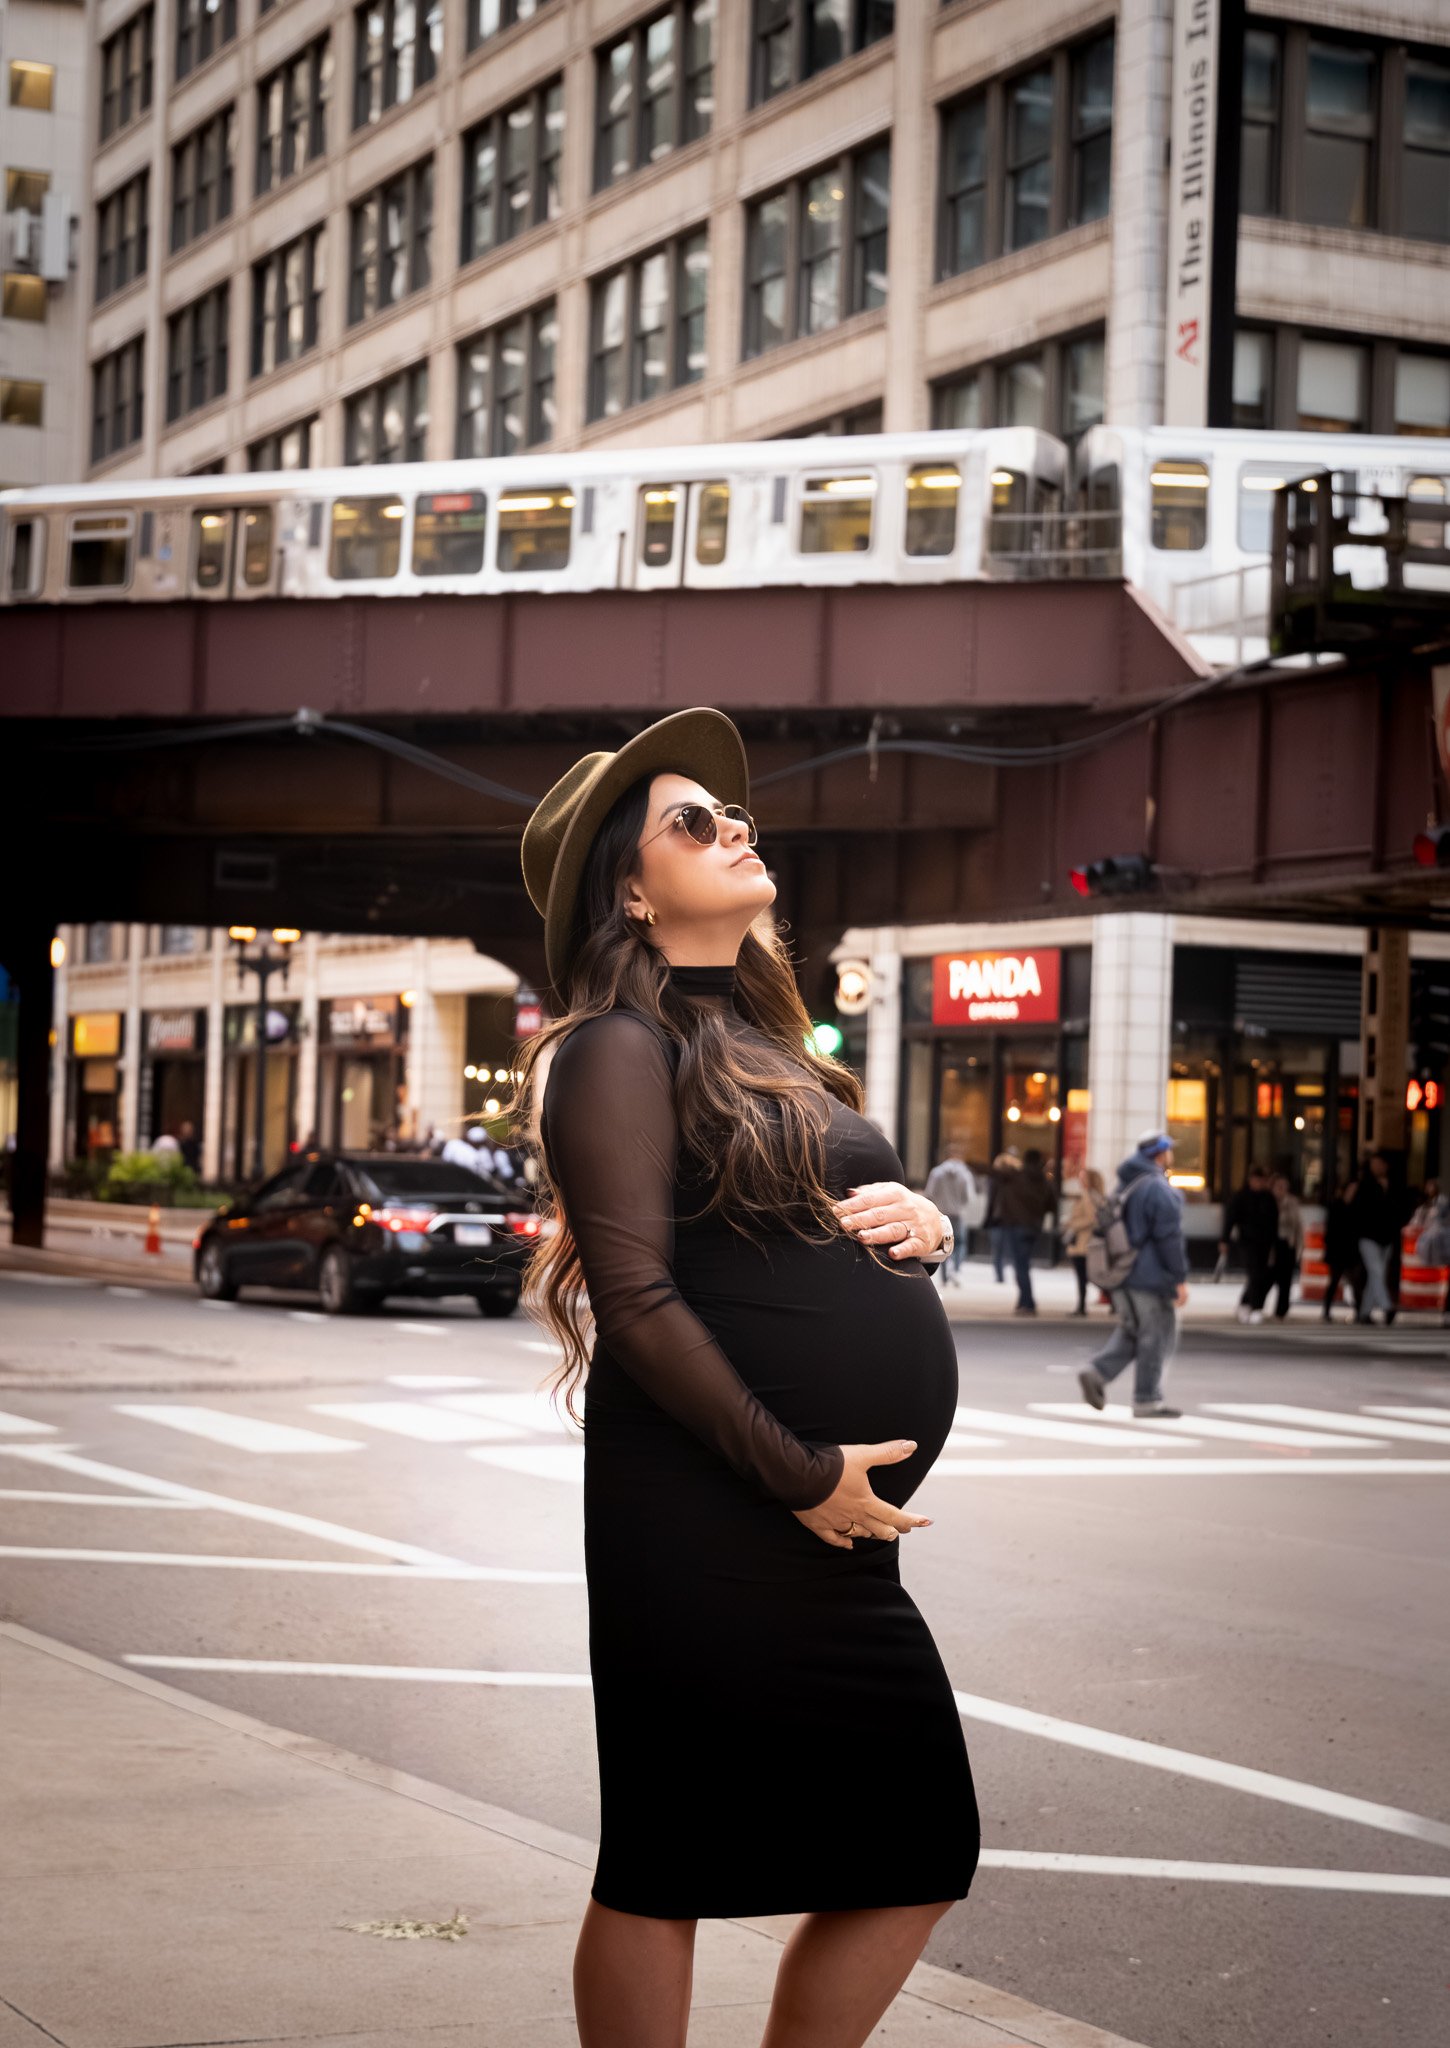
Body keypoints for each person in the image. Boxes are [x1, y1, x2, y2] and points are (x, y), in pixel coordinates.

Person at [514, 706, 978, 2044]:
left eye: (733, 817)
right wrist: (798, 1473)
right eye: (691, 823)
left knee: (916, 1846)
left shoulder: (777, 1049)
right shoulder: (611, 1047)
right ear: (629, 888)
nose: (732, 830)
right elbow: (639, 1300)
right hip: (707, 1503)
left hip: (824, 1526)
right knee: (668, 1857)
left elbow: (808, 1232)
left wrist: (922, 1229)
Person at [1077, 1131, 1189, 1419]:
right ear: (1161, 1154)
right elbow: (1169, 1238)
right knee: (1157, 1335)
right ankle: (1147, 1399)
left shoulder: (1127, 1183)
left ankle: (1097, 1372)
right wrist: (1179, 1278)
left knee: (1133, 1330)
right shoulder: (1157, 1188)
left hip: (1123, 1272)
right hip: (1150, 1276)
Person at [993, 1145, 1057, 1315]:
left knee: (1020, 1265)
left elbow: (994, 1172)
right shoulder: (1045, 1180)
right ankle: (1025, 1300)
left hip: (1016, 1226)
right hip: (1034, 1227)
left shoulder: (1016, 1177)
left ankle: (1027, 1302)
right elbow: (1052, 1205)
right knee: (1024, 1263)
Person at [1220, 1164, 1280, 1323]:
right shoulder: (1241, 1197)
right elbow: (1230, 1219)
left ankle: (1245, 1303)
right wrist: (1224, 1239)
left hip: (1265, 1243)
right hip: (1247, 1242)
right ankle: (1256, 1307)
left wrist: (1274, 1242)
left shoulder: (1268, 1197)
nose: (1259, 1183)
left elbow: (1274, 1222)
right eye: (1256, 1180)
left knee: (1261, 1275)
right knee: (1254, 1274)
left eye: (1261, 1180)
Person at [1349, 1151, 1396, 1323]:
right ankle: (1387, 1307)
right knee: (1376, 1271)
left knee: (1376, 1275)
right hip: (1368, 1235)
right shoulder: (1365, 1185)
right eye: (1373, 1164)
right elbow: (1358, 1210)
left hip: (1386, 1236)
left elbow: (1397, 1209)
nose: (1376, 1167)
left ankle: (1364, 1312)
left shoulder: (1393, 1185)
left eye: (1379, 1163)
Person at [923, 1146, 975, 1286]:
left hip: (941, 1213)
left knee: (943, 1244)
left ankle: (945, 1276)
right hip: (958, 1213)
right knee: (960, 1244)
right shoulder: (965, 1174)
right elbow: (967, 1197)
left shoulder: (936, 1172)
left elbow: (929, 1193)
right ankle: (956, 1270)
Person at [1063, 1167, 1106, 1315]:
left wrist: (1071, 1224)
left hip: (1084, 1241)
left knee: (1085, 1276)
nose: (1080, 1181)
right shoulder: (1094, 1195)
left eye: (1083, 1178)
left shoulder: (1088, 1196)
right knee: (1088, 1275)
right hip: (1085, 1241)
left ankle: (1081, 1306)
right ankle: (1083, 1305)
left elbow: (1090, 1218)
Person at [1269, 1173, 1305, 1320]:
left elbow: (1298, 1226)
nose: (1281, 1189)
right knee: (1268, 1276)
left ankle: (1281, 1310)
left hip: (1287, 1242)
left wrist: (1299, 1246)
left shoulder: (1292, 1202)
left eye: (1284, 1187)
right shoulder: (1268, 1201)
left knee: (1286, 1279)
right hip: (1271, 1243)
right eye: (1279, 1186)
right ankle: (1254, 1304)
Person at [983, 1149, 1020, 1281]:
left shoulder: (994, 1180)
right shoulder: (1018, 1179)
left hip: (997, 1219)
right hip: (1014, 1219)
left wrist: (987, 1219)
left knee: (997, 1251)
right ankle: (1017, 1276)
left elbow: (991, 1201)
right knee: (1015, 1251)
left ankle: (1000, 1276)